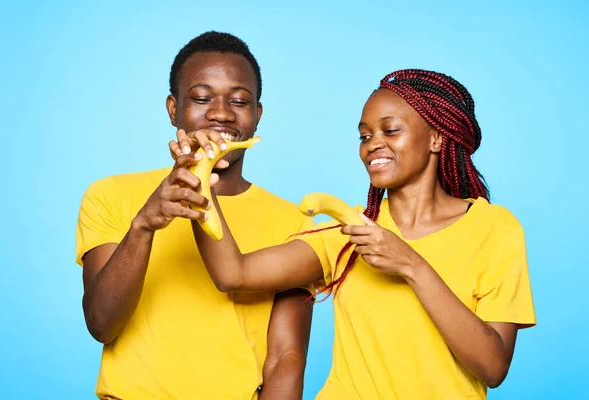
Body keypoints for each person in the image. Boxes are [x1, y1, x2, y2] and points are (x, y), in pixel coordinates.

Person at [183, 69, 536, 399]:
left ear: (436, 137)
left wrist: (412, 266)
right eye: (365, 135)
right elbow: (234, 273)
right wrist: (200, 183)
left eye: (390, 130)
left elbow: (493, 366)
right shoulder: (346, 231)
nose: (372, 145)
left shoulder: (494, 229)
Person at [75, 31, 314, 400]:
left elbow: (286, 358)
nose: (220, 113)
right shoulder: (110, 196)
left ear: (257, 116)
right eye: (202, 98)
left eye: (239, 101)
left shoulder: (294, 223)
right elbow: (102, 324)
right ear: (173, 109)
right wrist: (142, 227)